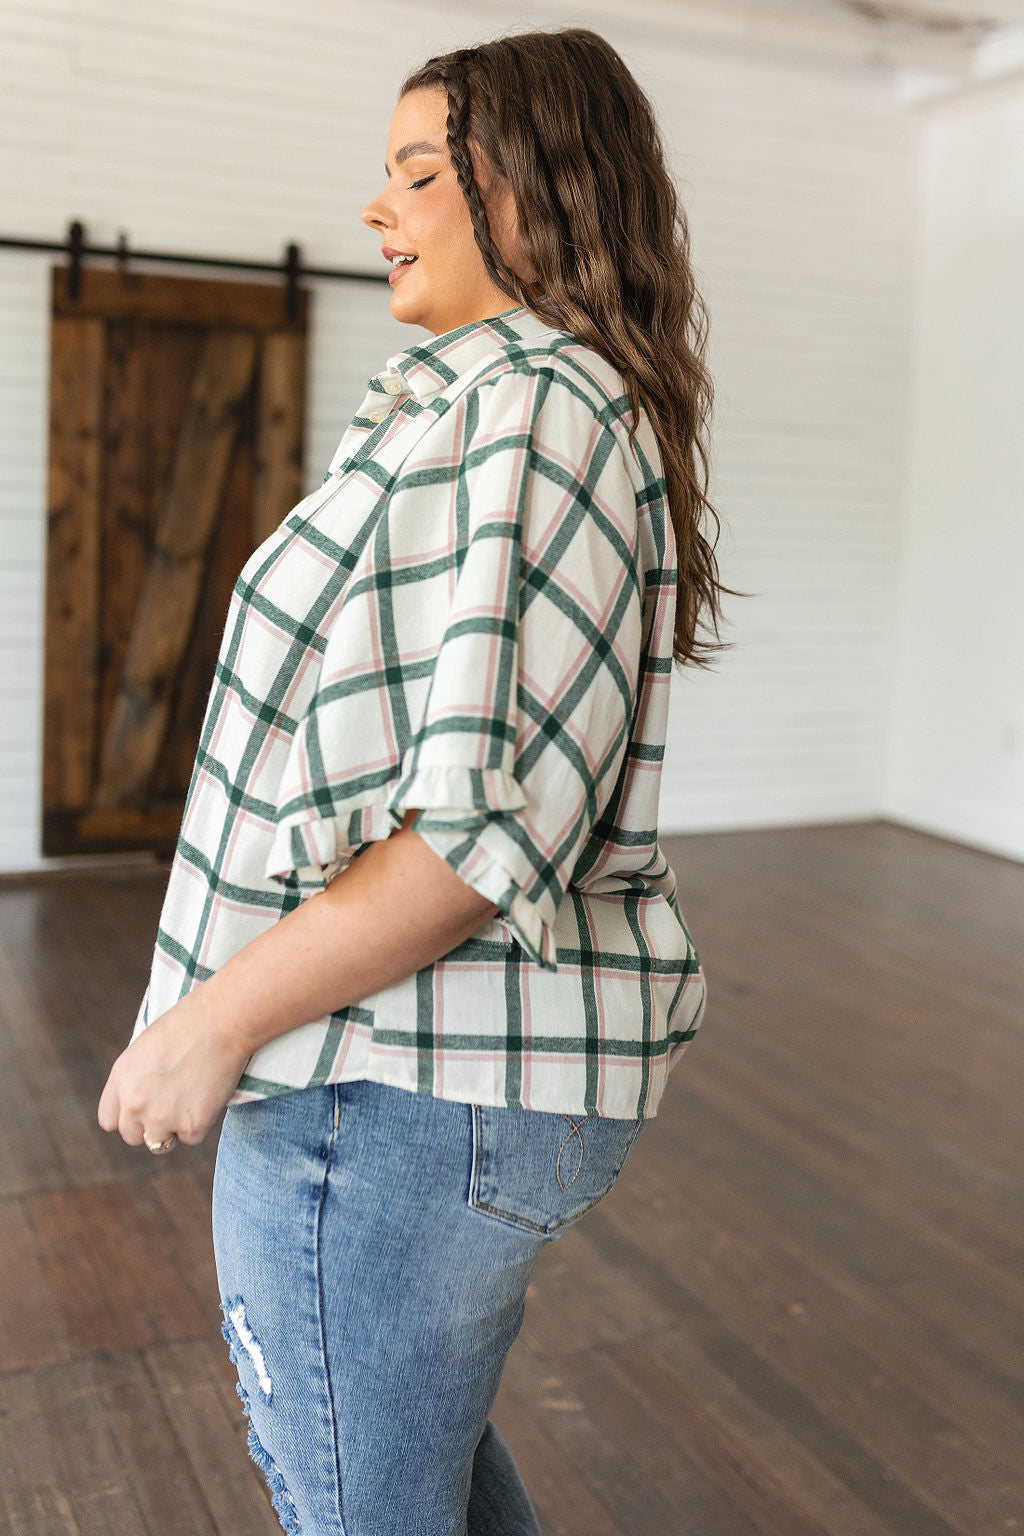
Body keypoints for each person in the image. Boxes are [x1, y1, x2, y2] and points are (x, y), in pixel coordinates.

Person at [97, 25, 736, 1536]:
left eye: (419, 173)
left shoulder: (541, 408)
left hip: (388, 1086)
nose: (378, 207)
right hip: (393, 1076)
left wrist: (210, 1021)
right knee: (408, 1487)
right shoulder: (477, 403)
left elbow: (468, 845)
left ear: (539, 186)